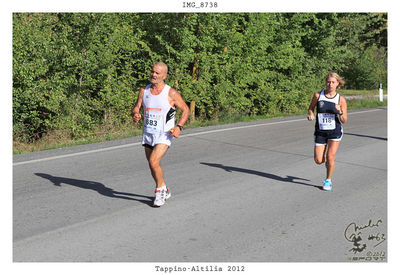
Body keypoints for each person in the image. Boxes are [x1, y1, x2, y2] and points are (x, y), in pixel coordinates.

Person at [132, 62, 190, 206]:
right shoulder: (144, 91)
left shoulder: (171, 93)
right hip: (148, 133)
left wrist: (179, 127)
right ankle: (164, 187)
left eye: (157, 73)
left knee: (153, 161)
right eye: (152, 72)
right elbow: (137, 106)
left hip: (165, 134)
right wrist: (135, 113)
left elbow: (186, 109)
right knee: (152, 165)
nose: (153, 75)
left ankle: (159, 192)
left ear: (164, 76)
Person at [307, 72, 348, 191]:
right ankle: (327, 163)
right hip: (320, 131)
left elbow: (344, 120)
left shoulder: (341, 100)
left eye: (333, 82)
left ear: (337, 84)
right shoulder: (318, 95)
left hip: (334, 131)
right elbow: (311, 108)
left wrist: (340, 111)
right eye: (328, 82)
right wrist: (310, 114)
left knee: (330, 157)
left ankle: (328, 180)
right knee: (319, 160)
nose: (330, 84)